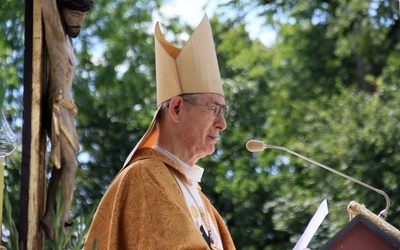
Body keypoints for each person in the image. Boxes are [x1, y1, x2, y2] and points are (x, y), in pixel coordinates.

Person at [84, 14, 236, 249]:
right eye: (214, 108)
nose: (222, 123)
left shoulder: (201, 199)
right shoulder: (146, 176)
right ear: (176, 108)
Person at [41, 0, 93, 240]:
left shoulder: (68, 42)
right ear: (61, 10)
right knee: (69, 164)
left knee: (68, 165)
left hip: (68, 110)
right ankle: (56, 221)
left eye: (83, 15)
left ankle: (56, 217)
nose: (79, 21)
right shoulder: (56, 35)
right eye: (74, 13)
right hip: (57, 106)